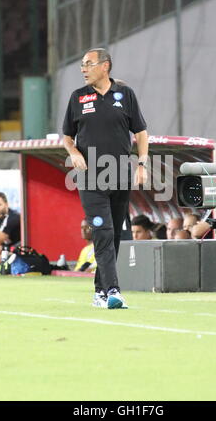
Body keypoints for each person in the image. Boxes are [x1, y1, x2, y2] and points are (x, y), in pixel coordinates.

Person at [63, 47, 148, 309]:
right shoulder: (78, 98)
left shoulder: (126, 94)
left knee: (115, 235)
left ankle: (100, 292)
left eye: (88, 64)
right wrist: (74, 152)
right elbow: (67, 136)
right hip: (90, 179)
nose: (83, 69)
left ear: (105, 66)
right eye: (81, 65)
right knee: (102, 230)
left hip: (120, 176)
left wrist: (142, 164)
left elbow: (141, 132)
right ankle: (113, 290)